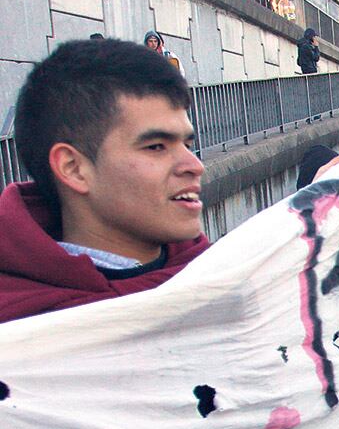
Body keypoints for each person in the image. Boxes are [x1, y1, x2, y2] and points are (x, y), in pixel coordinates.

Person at [0, 39, 209, 324]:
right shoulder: (18, 330)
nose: (194, 166)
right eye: (156, 146)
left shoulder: (230, 282)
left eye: (186, 144)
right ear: (73, 168)